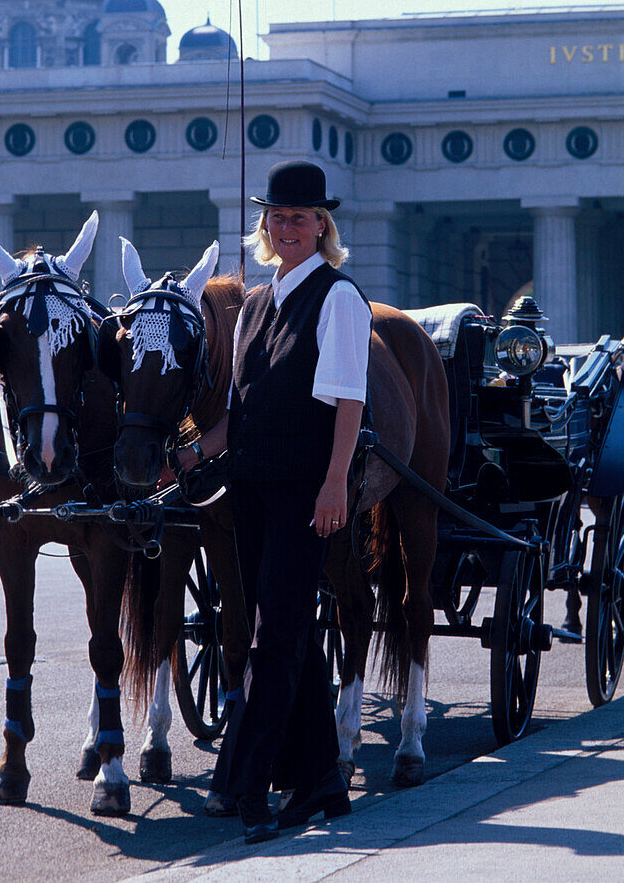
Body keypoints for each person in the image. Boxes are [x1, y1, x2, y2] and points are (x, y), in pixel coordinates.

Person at [171, 159, 372, 843]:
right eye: (277, 217)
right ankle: (321, 781)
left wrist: (334, 484)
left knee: (271, 641)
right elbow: (236, 414)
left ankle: (244, 785)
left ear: (323, 225)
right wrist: (192, 453)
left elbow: (348, 400)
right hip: (251, 490)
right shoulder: (257, 304)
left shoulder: (337, 297)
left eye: (301, 217)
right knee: (285, 636)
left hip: (304, 494)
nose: (287, 227)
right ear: (264, 226)